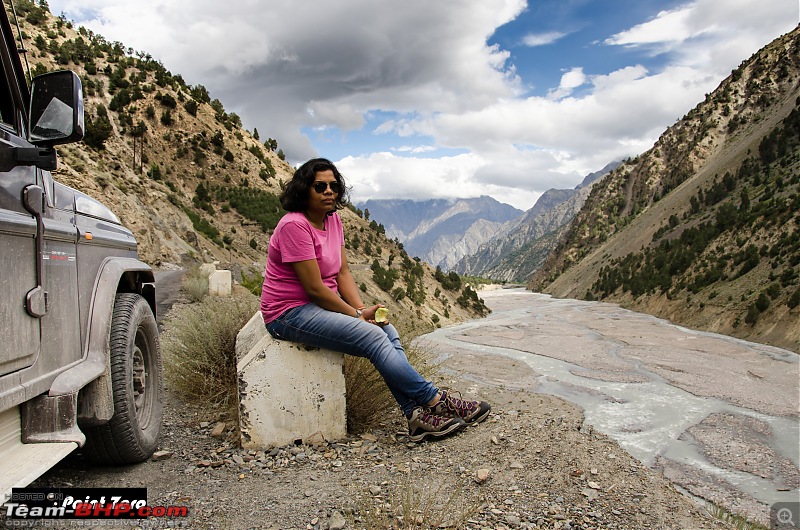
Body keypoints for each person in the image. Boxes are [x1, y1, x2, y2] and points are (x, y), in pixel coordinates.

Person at [260, 158, 491, 442]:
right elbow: (315, 289)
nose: (328, 191)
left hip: (319, 306)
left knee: (386, 331)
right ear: (303, 190)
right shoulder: (294, 226)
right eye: (320, 186)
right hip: (288, 313)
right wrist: (357, 316)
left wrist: (360, 310)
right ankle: (435, 401)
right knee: (372, 337)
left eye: (334, 186)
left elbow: (342, 272)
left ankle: (415, 417)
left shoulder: (332, 221)